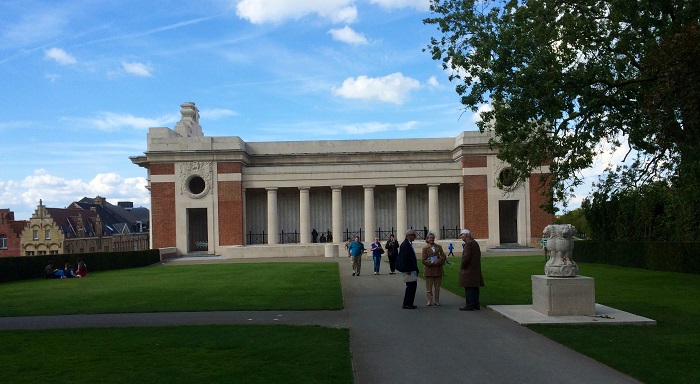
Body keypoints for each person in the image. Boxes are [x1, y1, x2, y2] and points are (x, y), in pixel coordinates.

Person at [458, 229, 484, 311]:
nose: (461, 237)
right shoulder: (474, 242)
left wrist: (462, 266)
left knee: (469, 287)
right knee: (475, 287)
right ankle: (476, 304)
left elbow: (466, 257)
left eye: (462, 235)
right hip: (475, 269)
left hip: (469, 269)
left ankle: (469, 304)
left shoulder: (468, 243)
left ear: (466, 235)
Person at [421, 231, 446, 306]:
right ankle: (429, 300)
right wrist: (431, 262)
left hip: (438, 269)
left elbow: (443, 256)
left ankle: (437, 300)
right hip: (429, 270)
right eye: (430, 238)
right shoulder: (425, 248)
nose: (432, 239)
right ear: (427, 239)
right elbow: (423, 260)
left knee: (437, 287)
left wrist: (437, 261)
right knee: (429, 287)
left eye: (433, 238)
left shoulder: (439, 247)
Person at [396, 229, 419, 309]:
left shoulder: (408, 244)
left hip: (411, 269)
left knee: (412, 286)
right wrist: (408, 270)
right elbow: (404, 259)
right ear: (408, 236)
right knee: (411, 286)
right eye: (413, 235)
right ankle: (407, 303)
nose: (414, 237)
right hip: (409, 270)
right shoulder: (405, 245)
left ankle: (409, 303)